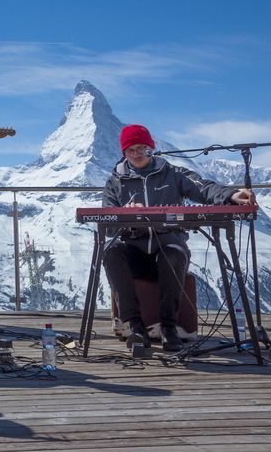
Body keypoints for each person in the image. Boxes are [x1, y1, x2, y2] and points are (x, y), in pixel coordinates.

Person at [102, 124, 256, 352]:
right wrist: (125, 213)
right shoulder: (115, 181)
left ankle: (169, 327)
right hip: (134, 249)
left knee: (174, 253)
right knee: (110, 252)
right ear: (124, 153)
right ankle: (134, 326)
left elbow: (204, 188)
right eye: (130, 150)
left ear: (150, 148)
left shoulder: (174, 173)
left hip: (168, 243)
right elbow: (107, 224)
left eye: (140, 148)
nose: (135, 154)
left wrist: (231, 195)